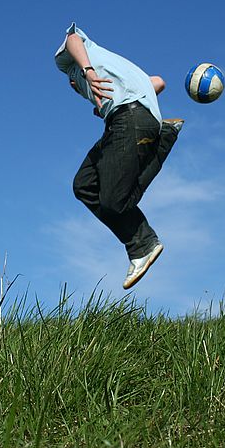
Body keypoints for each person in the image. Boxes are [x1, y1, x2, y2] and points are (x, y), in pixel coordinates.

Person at [54, 23, 183, 289]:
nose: (76, 89)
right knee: (85, 184)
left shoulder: (72, 64)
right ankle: (141, 242)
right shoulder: (112, 78)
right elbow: (158, 82)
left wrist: (87, 72)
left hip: (129, 119)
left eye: (76, 85)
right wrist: (106, 105)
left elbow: (72, 39)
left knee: (113, 200)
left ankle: (142, 244)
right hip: (123, 120)